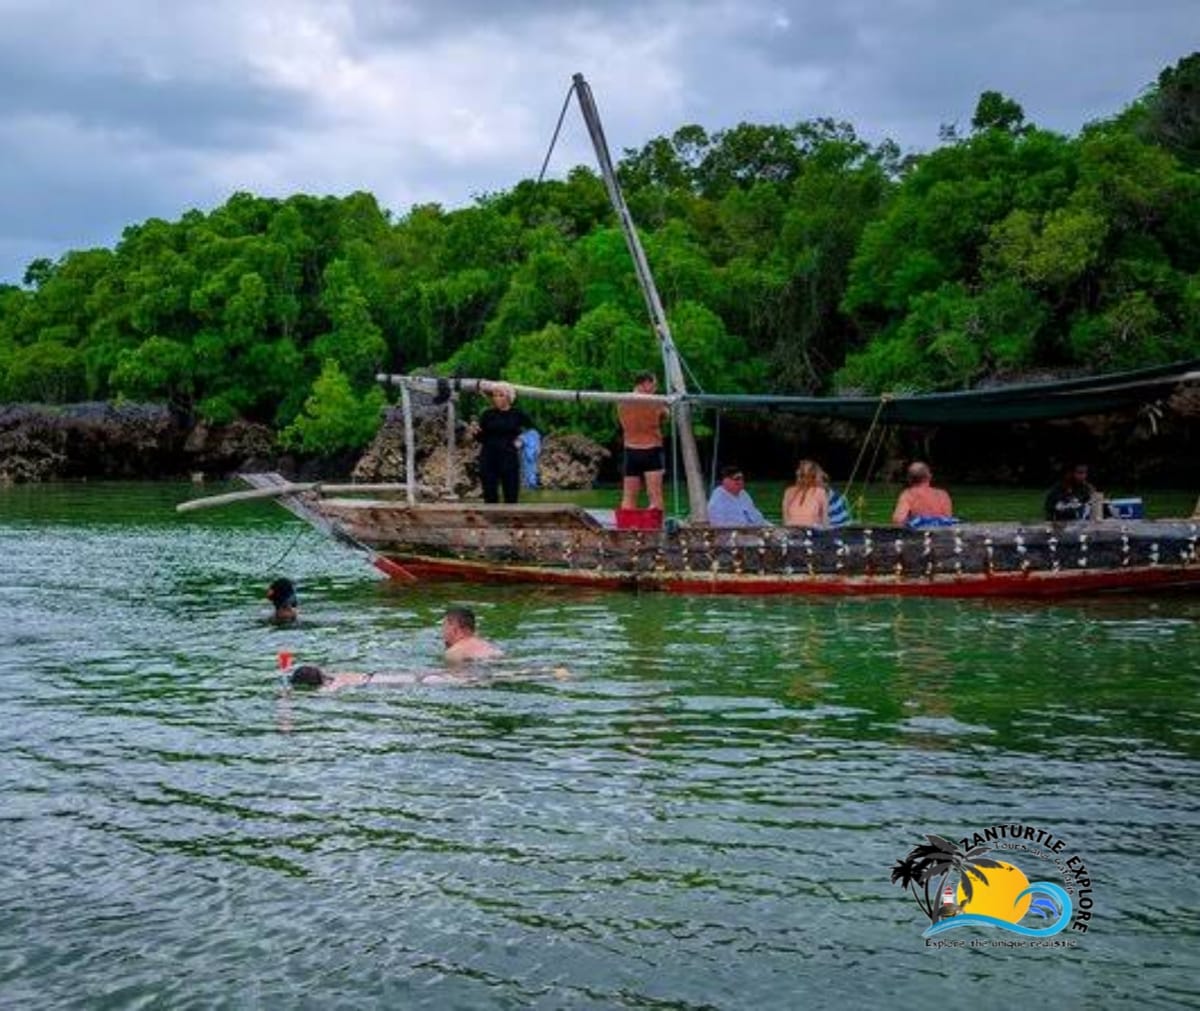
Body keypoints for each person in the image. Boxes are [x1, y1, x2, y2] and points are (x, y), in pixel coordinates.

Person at [472, 383, 532, 504]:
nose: (497, 398)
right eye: (494, 395)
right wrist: (475, 432)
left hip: (509, 457)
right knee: (490, 496)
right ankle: (491, 522)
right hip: (488, 458)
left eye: (501, 395)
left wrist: (522, 440)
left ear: (509, 398)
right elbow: (482, 438)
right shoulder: (487, 414)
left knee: (511, 496)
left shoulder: (517, 414)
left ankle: (510, 522)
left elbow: (534, 431)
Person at [617, 371, 669, 511]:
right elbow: (666, 415)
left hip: (631, 451)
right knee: (655, 496)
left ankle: (627, 529)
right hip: (651, 450)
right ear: (646, 383)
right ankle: (655, 529)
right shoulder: (655, 402)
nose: (656, 388)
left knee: (628, 497)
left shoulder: (622, 401)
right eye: (654, 384)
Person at [891, 462, 955, 526]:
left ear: (909, 479)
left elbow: (898, 520)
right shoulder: (943, 495)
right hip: (942, 533)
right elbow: (948, 520)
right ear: (929, 477)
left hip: (920, 533)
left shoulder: (909, 495)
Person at [782, 460, 829, 527]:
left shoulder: (820, 492)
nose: (798, 472)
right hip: (792, 531)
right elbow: (785, 520)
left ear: (812, 475)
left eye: (802, 472)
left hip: (812, 531)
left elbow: (825, 519)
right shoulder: (789, 492)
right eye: (799, 469)